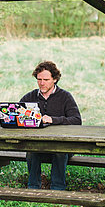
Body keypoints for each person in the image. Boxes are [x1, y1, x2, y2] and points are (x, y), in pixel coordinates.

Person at [20, 61, 81, 190]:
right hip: (39, 144)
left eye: (46, 79)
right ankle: (33, 188)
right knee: (31, 151)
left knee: (60, 151)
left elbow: (76, 120)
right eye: (39, 79)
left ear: (55, 79)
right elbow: (17, 116)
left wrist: (53, 120)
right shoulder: (29, 97)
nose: (42, 83)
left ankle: (57, 189)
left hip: (62, 145)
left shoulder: (65, 97)